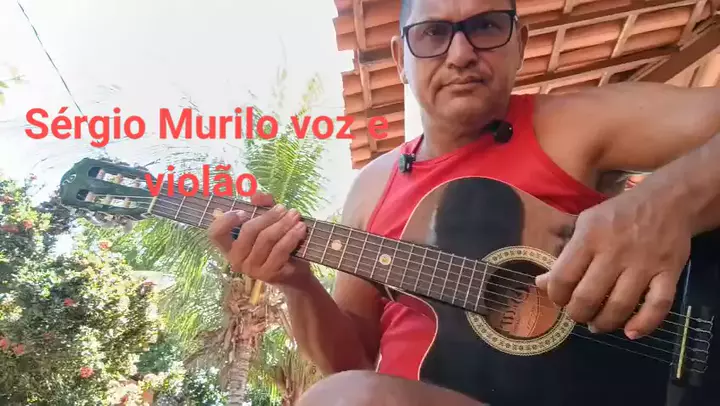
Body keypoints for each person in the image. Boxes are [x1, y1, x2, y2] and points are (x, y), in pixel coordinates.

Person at [208, 0, 720, 404]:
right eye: (433, 33)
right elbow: (353, 361)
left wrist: (668, 203)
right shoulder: (371, 188)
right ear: (400, 59)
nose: (460, 54)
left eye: (486, 26)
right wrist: (296, 282)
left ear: (520, 42)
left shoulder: (578, 124)